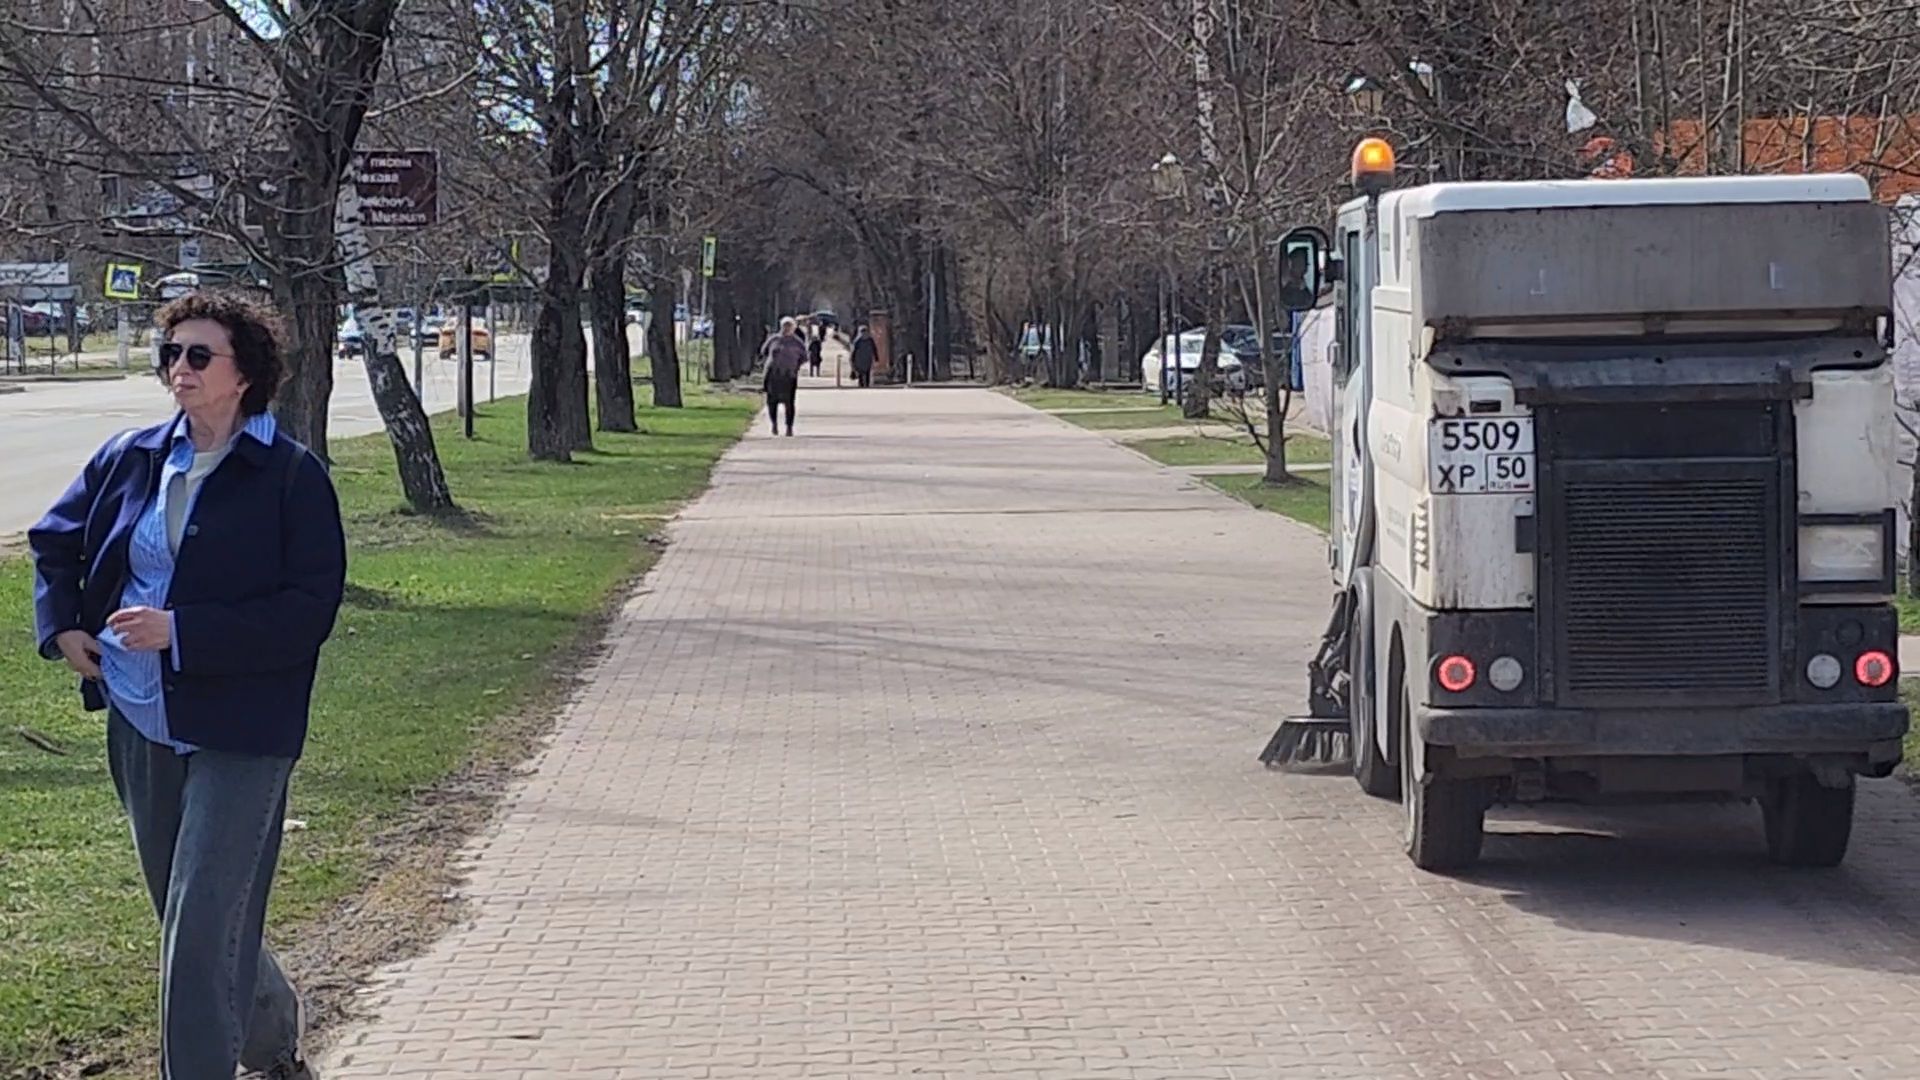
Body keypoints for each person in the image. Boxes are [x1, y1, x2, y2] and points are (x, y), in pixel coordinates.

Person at [29, 290, 346, 1080]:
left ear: (246, 374)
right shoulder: (131, 455)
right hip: (140, 713)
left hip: (244, 728)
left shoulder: (290, 476)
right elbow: (54, 542)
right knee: (185, 911)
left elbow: (307, 611)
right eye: (171, 353)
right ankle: (273, 1044)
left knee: (202, 918)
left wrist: (183, 631)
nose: (180, 368)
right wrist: (62, 626)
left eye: (199, 355)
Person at [763, 316, 806, 435]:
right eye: (784, 326)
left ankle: (789, 427)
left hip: (789, 375)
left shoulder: (797, 342)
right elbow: (764, 351)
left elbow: (804, 356)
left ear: (793, 328)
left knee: (789, 402)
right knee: (772, 401)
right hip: (774, 374)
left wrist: (796, 365)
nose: (786, 329)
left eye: (789, 326)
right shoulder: (774, 339)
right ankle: (774, 424)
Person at [850, 324, 877, 388]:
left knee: (866, 371)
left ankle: (865, 384)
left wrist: (876, 357)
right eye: (863, 331)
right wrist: (852, 358)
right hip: (861, 358)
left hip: (866, 358)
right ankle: (862, 384)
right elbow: (854, 351)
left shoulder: (869, 340)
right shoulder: (858, 341)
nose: (864, 333)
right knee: (862, 372)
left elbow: (874, 348)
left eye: (865, 331)